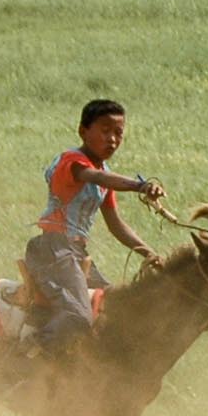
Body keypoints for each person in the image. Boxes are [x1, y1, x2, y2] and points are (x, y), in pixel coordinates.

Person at [22, 99, 169, 362]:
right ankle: (25, 355)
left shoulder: (105, 173)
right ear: (83, 131)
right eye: (105, 131)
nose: (112, 139)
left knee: (116, 309)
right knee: (78, 315)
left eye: (118, 133)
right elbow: (95, 177)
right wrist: (140, 186)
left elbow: (116, 224)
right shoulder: (73, 162)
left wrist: (149, 254)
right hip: (52, 249)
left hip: (76, 253)